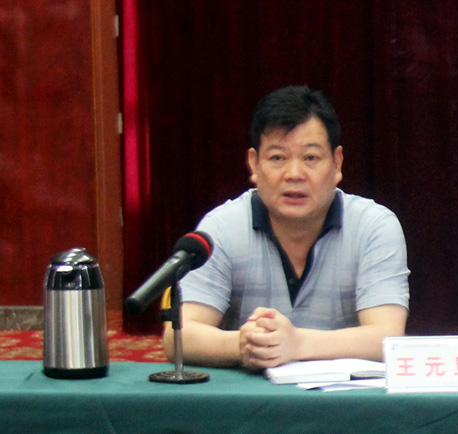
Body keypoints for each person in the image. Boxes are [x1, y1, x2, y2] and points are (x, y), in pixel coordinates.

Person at [163, 85, 410, 369]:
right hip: (249, 394)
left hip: (344, 395)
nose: (294, 174)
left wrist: (297, 344)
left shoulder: (374, 227)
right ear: (254, 164)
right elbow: (178, 337)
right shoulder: (222, 228)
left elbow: (387, 337)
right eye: (278, 158)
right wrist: (244, 344)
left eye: (310, 158)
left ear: (337, 163)